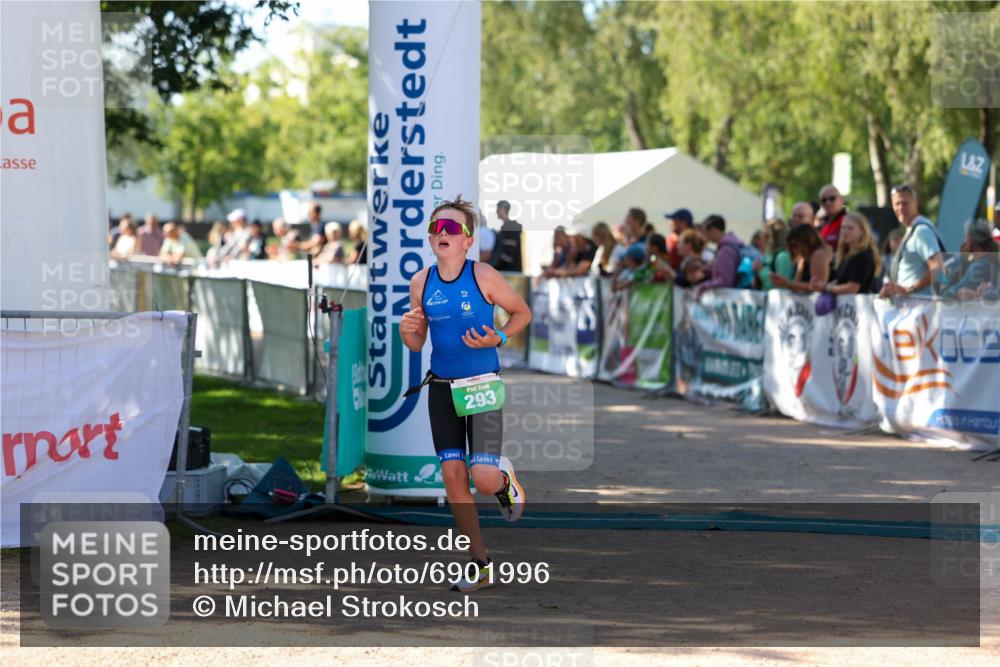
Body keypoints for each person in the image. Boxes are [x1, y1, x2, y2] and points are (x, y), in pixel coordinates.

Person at [399, 195, 531, 593]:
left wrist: (499, 337)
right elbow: (417, 342)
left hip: (481, 386)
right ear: (430, 238)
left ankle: (502, 480)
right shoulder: (420, 282)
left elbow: (522, 312)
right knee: (452, 476)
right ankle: (480, 563)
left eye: (452, 228)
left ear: (467, 241)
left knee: (483, 480)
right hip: (441, 388)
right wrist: (407, 333)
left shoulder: (484, 275)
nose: (443, 233)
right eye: (436, 227)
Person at [879, 183, 944, 298]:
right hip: (911, 305)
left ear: (915, 203)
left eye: (905, 203)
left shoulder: (921, 231)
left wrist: (908, 289)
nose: (900, 208)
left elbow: (937, 268)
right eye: (897, 204)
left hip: (921, 305)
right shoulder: (912, 230)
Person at [820, 212, 880, 295]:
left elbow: (852, 287)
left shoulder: (863, 255)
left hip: (857, 302)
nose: (844, 231)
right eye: (843, 227)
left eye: (850, 228)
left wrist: (826, 288)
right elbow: (840, 281)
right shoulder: (846, 253)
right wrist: (825, 286)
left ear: (862, 231)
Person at [939, 219, 999, 301]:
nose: (964, 242)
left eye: (965, 237)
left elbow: (946, 293)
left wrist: (962, 259)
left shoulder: (980, 266)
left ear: (971, 240)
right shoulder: (988, 263)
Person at [771, 223, 832, 292]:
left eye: (795, 245)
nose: (794, 250)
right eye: (791, 246)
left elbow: (817, 287)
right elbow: (797, 282)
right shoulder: (803, 258)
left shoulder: (819, 254)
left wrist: (787, 283)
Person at [696, 214, 745, 294]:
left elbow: (725, 280)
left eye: (706, 232)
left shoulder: (726, 250)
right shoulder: (726, 247)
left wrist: (703, 286)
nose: (705, 236)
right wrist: (705, 270)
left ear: (713, 230)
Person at [754, 218, 795, 290]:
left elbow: (781, 286)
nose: (764, 240)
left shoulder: (783, 256)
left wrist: (761, 271)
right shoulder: (771, 254)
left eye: (766, 236)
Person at [489, 200, 523, 273]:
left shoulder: (511, 228)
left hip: (509, 272)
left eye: (498, 209)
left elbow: (508, 255)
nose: (496, 211)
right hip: (508, 271)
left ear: (503, 209)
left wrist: (493, 266)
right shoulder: (507, 228)